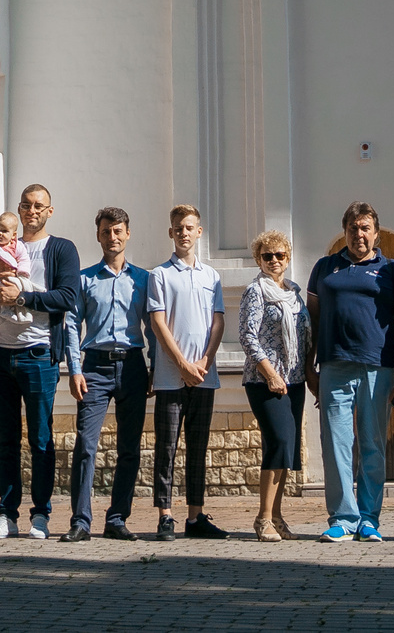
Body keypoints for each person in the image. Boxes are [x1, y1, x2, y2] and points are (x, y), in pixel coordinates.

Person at [0, 182, 81, 540]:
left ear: (49, 211)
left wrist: (22, 296)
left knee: (40, 439)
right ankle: (7, 515)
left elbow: (67, 297)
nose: (31, 211)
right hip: (0, 356)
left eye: (39, 206)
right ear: (18, 210)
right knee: (5, 440)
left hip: (39, 355)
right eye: (25, 205)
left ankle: (40, 515)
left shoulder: (60, 249)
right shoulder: (0, 245)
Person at [305, 202, 394, 543]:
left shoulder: (392, 271)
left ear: (376, 233)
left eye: (365, 227)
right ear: (345, 232)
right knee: (336, 445)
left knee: (372, 444)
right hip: (334, 366)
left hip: (377, 367)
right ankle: (342, 518)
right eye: (352, 228)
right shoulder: (325, 268)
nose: (359, 234)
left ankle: (369, 519)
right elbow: (312, 321)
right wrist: (309, 367)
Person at [61, 206, 151, 542]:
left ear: (127, 233)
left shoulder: (143, 279)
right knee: (86, 444)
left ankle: (116, 518)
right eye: (105, 232)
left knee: (130, 446)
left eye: (117, 231)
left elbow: (153, 326)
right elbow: (71, 324)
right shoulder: (85, 279)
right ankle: (81, 522)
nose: (112, 237)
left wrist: (154, 365)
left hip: (132, 365)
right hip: (94, 366)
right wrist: (74, 369)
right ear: (98, 236)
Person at [146, 205, 228, 540]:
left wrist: (204, 362)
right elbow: (158, 322)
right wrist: (182, 364)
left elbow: (218, 321)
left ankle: (196, 516)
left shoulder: (212, 276)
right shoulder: (160, 275)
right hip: (170, 377)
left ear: (199, 232)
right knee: (166, 448)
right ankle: (166, 515)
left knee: (198, 447)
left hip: (204, 376)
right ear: (171, 233)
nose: (183, 233)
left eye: (189, 227)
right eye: (178, 228)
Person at [240, 230, 311, 542]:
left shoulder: (294, 292)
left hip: (294, 380)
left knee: (284, 449)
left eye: (279, 255)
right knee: (279, 441)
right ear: (259, 259)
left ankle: (277, 516)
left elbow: (306, 335)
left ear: (288, 257)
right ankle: (263, 518)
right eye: (267, 256)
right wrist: (269, 373)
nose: (273, 261)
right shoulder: (255, 292)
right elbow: (247, 336)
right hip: (265, 380)